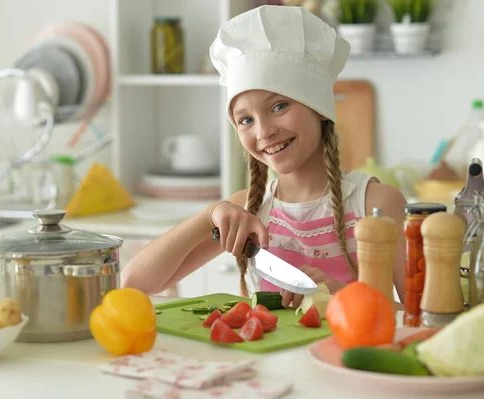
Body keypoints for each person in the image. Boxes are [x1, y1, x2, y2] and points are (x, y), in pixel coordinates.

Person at [122, 5, 407, 309]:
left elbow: (423, 316)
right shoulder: (248, 209)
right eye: (246, 120)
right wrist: (210, 216)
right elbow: (134, 284)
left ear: (318, 107)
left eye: (279, 107)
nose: (264, 132)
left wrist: (341, 297)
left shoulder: (374, 204)